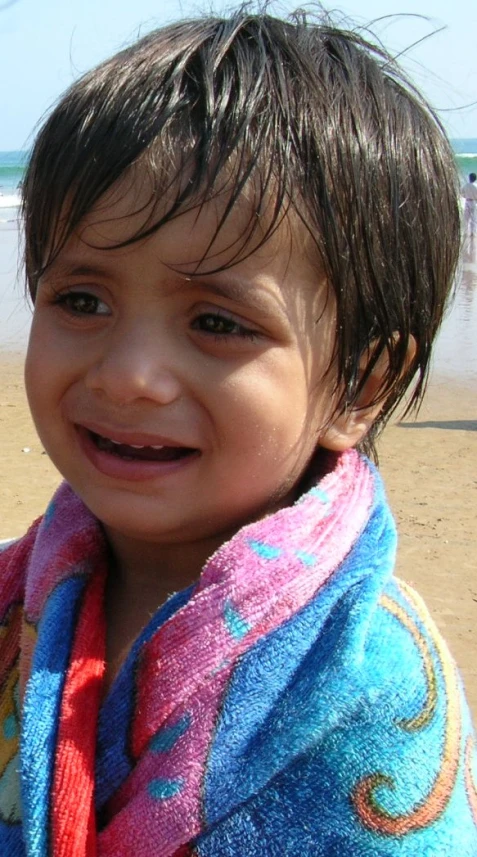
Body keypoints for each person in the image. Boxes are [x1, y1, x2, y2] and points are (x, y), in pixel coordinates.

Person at [0, 8, 476, 855]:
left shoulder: (366, 679)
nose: (125, 375)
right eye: (81, 300)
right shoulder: (17, 596)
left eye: (217, 322)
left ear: (357, 385)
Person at [461, 172, 477, 237]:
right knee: (473, 218)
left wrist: (465, 196)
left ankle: (465, 232)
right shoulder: (476, 186)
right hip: (473, 202)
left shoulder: (466, 185)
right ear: (475, 179)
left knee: (466, 218)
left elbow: (462, 193)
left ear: (469, 178)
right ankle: (472, 233)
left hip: (467, 201)